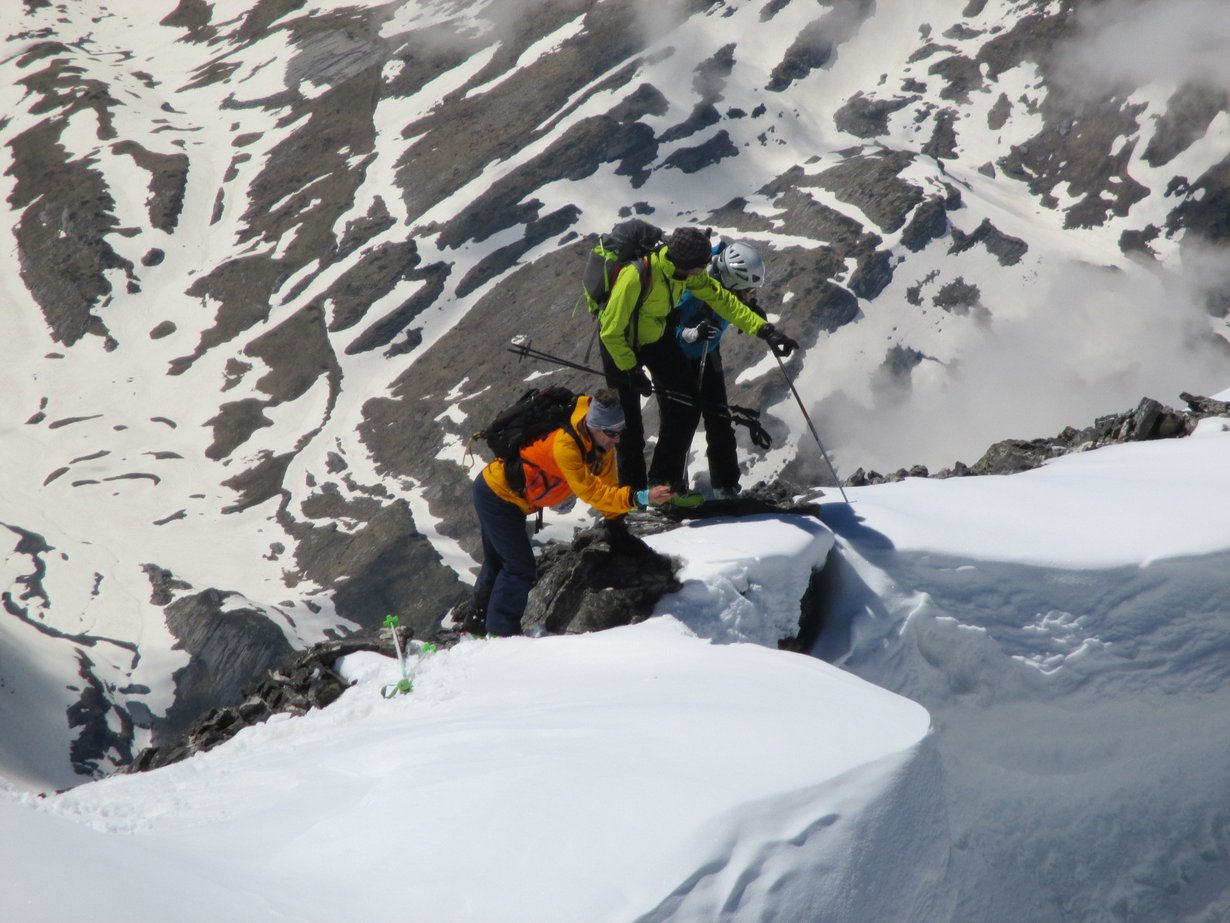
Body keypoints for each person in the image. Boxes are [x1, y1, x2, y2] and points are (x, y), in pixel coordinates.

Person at [597, 226, 799, 491]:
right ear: (686, 264)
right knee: (630, 426)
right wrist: (632, 370)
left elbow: (724, 300)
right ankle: (633, 499)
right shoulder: (636, 276)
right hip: (620, 346)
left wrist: (766, 331)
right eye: (701, 265)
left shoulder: (688, 275)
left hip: (655, 339)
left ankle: (664, 487)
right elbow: (610, 332)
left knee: (688, 403)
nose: (706, 268)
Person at [466, 389, 673, 636]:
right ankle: (501, 634)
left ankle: (474, 628)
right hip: (497, 495)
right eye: (611, 433)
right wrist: (641, 497)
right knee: (519, 567)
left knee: (497, 561)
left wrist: (616, 528)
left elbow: (608, 486)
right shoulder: (565, 445)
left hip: (506, 495)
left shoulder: (601, 445)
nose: (617, 439)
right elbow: (593, 492)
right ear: (593, 426)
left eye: (620, 432)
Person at [648, 240, 767, 498]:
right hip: (674, 355)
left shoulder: (728, 286)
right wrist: (692, 333)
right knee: (678, 419)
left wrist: (751, 312)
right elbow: (665, 327)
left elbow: (732, 307)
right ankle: (667, 488)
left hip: (707, 351)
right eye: (746, 290)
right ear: (732, 280)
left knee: (719, 417)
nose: (750, 295)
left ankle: (726, 485)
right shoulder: (693, 289)